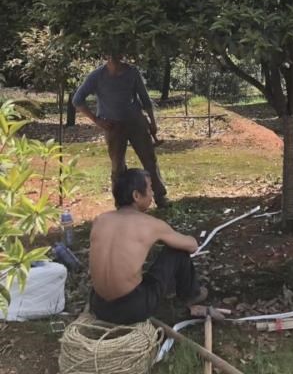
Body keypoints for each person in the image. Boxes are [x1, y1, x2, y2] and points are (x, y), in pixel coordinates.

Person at [89, 169, 206, 324]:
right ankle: (191, 295)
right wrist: (190, 238)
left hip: (99, 306)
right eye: (150, 189)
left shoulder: (100, 220)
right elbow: (191, 246)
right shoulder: (151, 224)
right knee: (177, 252)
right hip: (132, 309)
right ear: (136, 196)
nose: (152, 194)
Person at [73, 54, 168, 208]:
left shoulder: (132, 72)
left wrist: (152, 122)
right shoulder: (96, 76)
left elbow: (144, 98)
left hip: (136, 122)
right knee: (118, 167)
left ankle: (160, 197)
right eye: (111, 56)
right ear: (106, 57)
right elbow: (77, 100)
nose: (115, 60)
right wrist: (97, 120)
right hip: (113, 126)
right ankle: (122, 204)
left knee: (149, 161)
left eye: (117, 55)